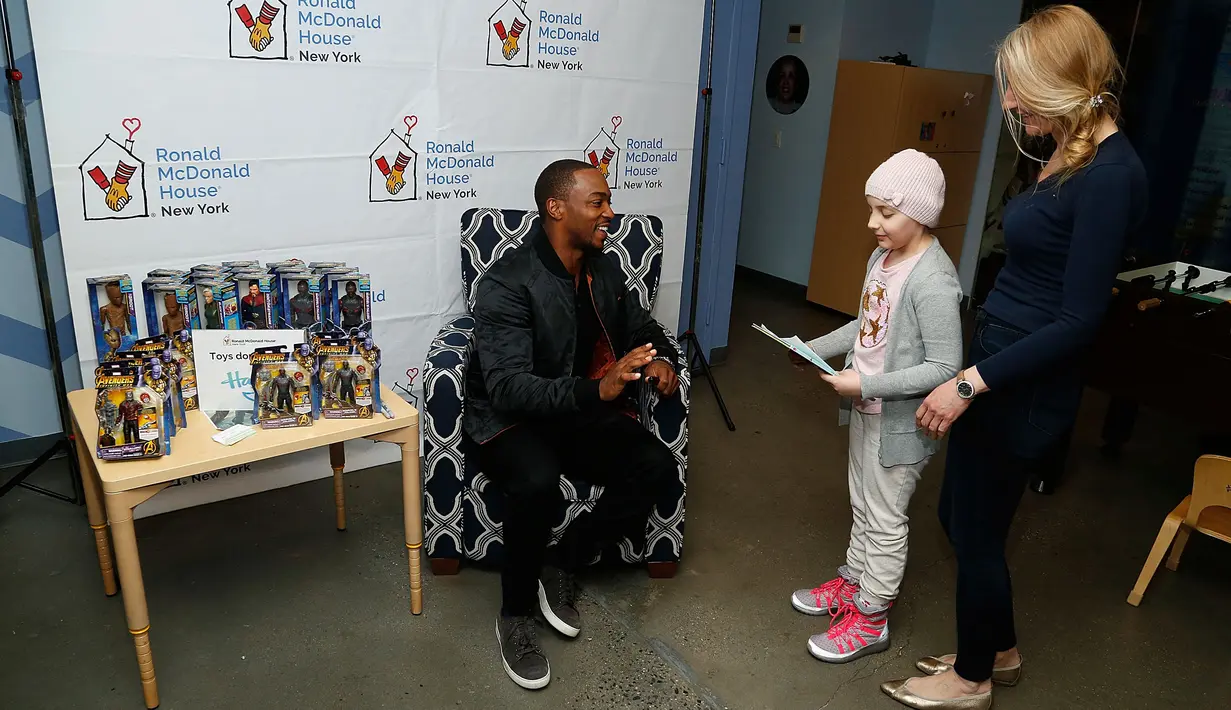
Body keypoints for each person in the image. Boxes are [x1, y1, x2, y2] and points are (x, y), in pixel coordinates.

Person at [882, 7, 1148, 709]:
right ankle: (995, 649)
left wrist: (969, 382)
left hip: (1018, 384)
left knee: (972, 530)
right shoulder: (1071, 148)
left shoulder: (1111, 175)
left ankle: (969, 680)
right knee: (960, 519)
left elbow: (1078, 319)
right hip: (998, 361)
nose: (1006, 102)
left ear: (1060, 80)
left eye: (1017, 86)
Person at [466, 159, 681, 690]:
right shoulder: (508, 281)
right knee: (537, 482)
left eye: (609, 201)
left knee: (654, 465)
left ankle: (563, 560)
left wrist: (659, 358)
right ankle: (515, 615)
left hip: (573, 411)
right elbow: (508, 387)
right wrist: (597, 388)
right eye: (598, 202)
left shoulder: (602, 269)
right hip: (509, 420)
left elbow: (641, 323)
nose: (610, 212)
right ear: (556, 208)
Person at [789, 149, 963, 663]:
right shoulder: (881, 260)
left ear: (921, 213)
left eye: (885, 213)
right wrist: (815, 347)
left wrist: (864, 385)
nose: (873, 224)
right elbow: (864, 326)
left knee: (886, 519)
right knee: (863, 504)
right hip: (867, 413)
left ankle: (871, 620)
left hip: (901, 425)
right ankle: (854, 586)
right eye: (871, 210)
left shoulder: (933, 279)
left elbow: (945, 367)